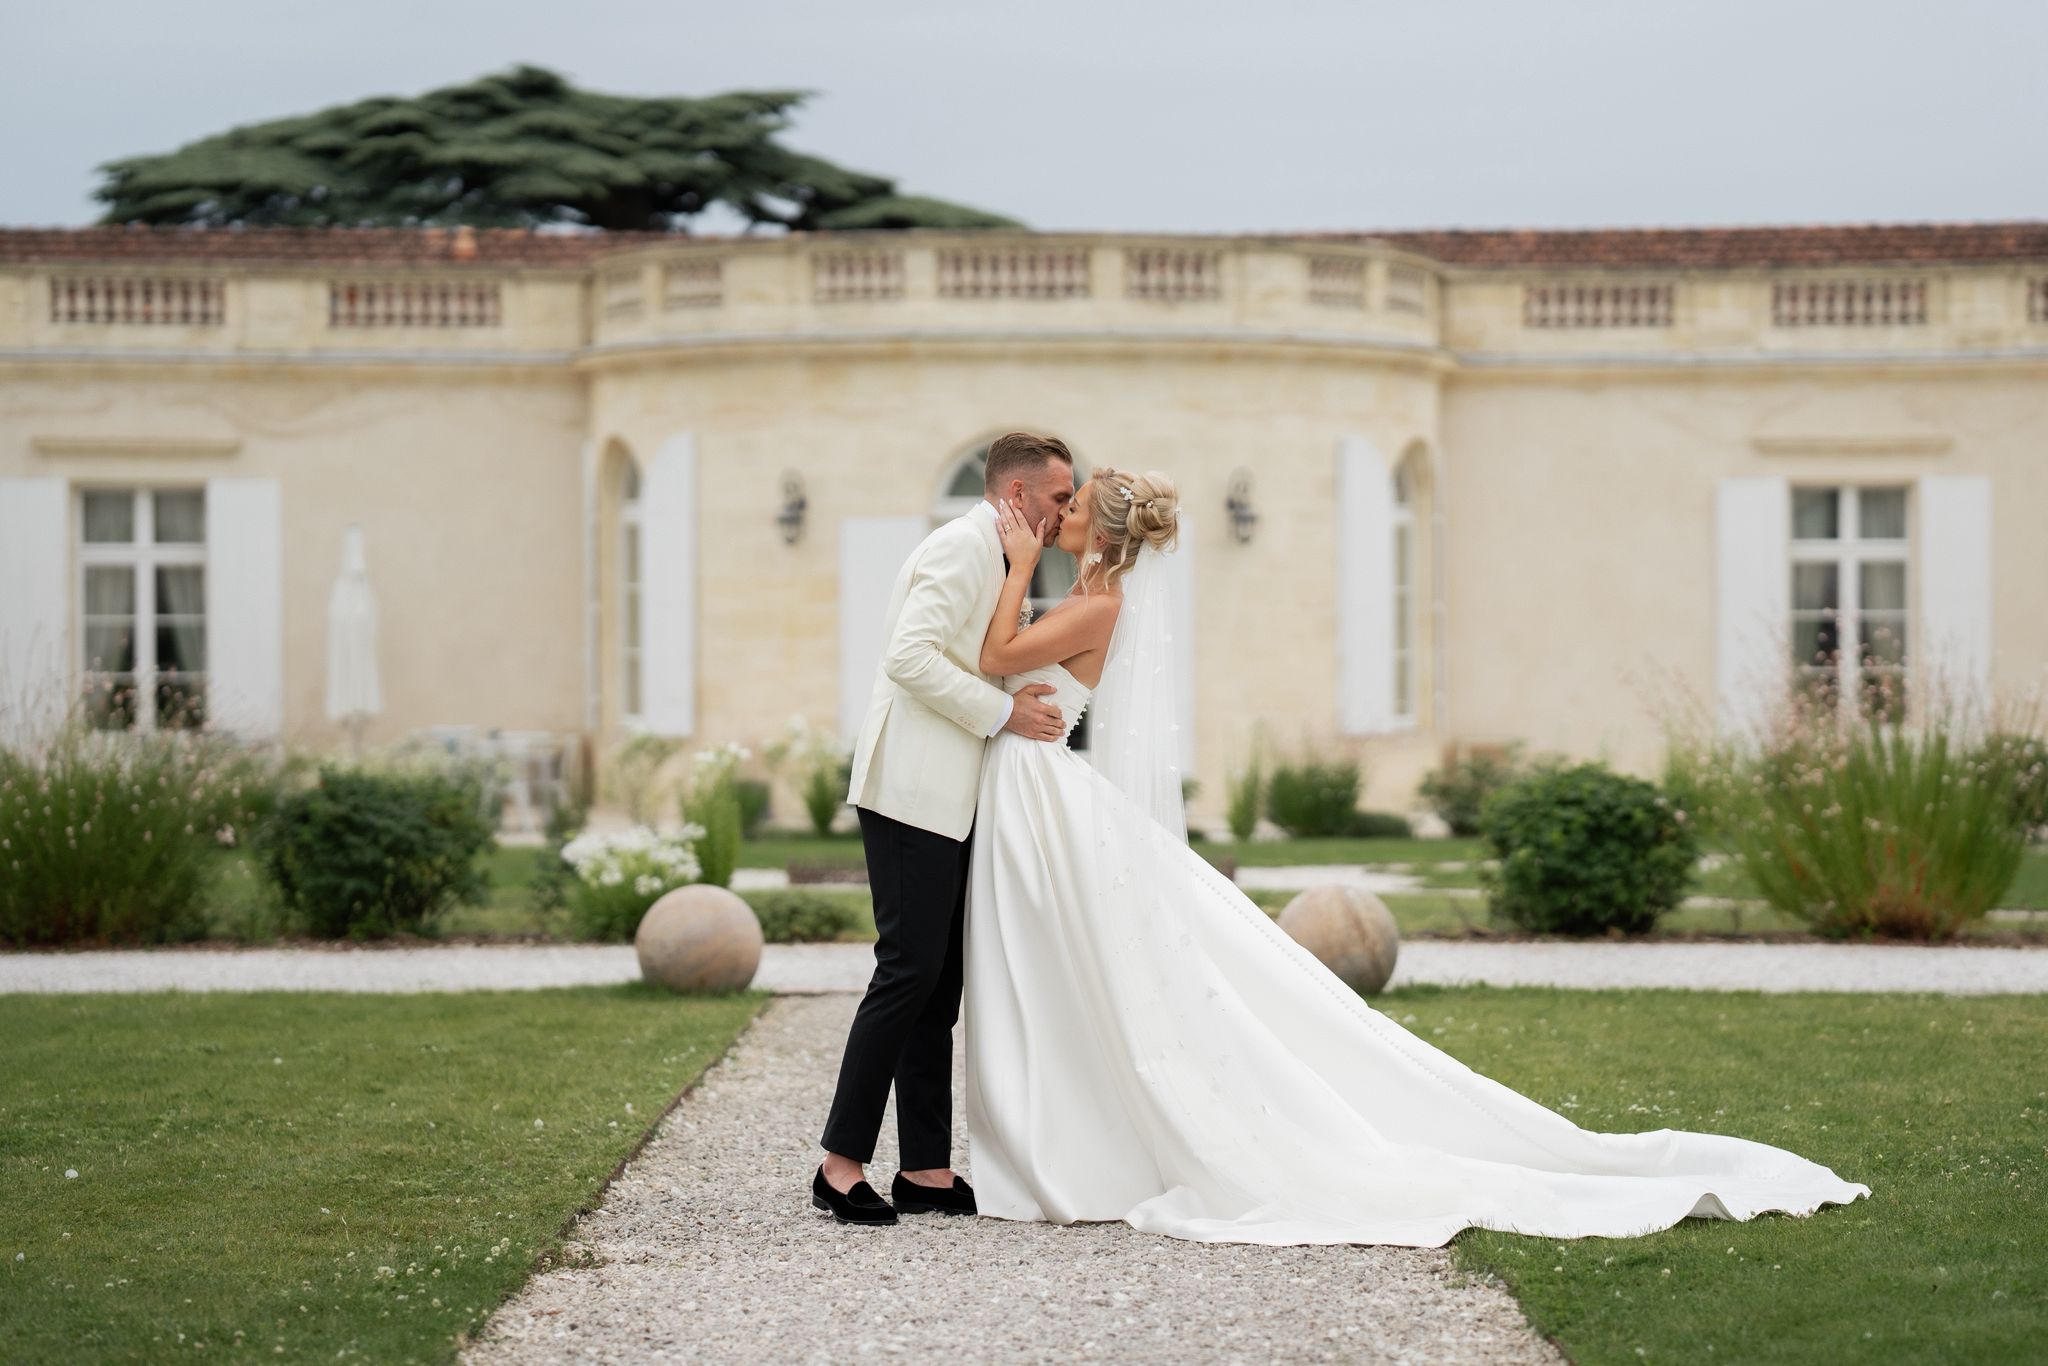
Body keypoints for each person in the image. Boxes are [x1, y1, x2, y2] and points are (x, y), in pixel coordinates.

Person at [959, 465, 1871, 1247]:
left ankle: (1077, 1144)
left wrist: (1018, 563)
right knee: (1060, 967)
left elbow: (1000, 651)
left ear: (1100, 535)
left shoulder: (1097, 602)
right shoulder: (1087, 597)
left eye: (1071, 505)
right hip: (1035, 789)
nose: (1059, 508)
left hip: (1043, 788)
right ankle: (1071, 1132)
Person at [811, 431, 1074, 1225]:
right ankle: (839, 1163)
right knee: (906, 974)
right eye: (1060, 497)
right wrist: (1003, 713)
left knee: (938, 988)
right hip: (911, 793)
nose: (1066, 510)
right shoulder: (962, 551)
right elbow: (908, 658)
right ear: (1019, 495)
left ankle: (924, 1167)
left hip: (953, 798)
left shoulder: (998, 558)